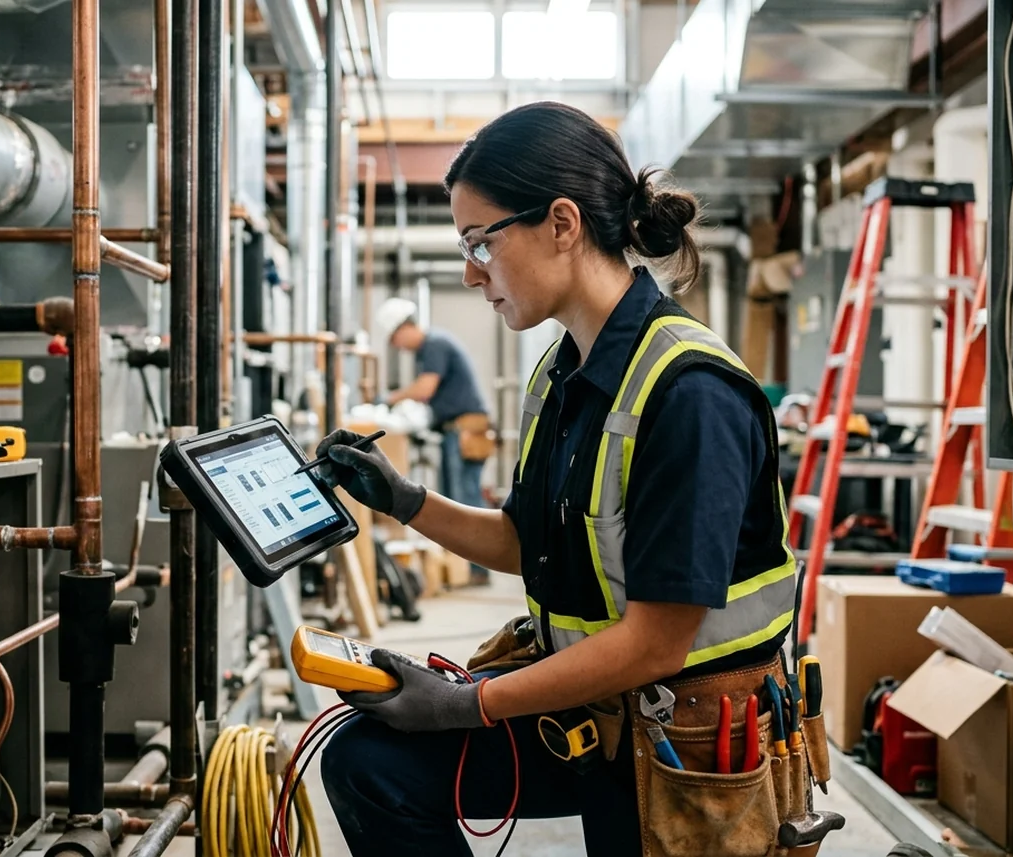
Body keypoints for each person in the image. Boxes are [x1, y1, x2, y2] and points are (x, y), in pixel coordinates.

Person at [313, 101, 805, 856]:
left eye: (481, 242)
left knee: (391, 756)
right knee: (369, 761)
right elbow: (527, 542)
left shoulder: (689, 394)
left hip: (688, 739)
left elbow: (655, 644)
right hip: (601, 709)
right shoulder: (563, 370)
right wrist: (406, 501)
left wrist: (469, 704)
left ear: (563, 224)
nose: (471, 273)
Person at [375, 297, 494, 585]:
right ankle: (464, 569)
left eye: (395, 339)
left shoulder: (435, 344)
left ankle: (477, 570)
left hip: (464, 430)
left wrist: (390, 399)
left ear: (404, 327)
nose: (398, 347)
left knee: (466, 499)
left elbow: (425, 389)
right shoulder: (431, 348)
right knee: (457, 496)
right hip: (456, 429)